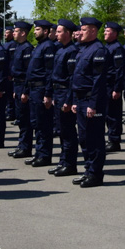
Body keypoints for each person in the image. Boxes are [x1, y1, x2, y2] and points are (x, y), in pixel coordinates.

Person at [70, 17, 109, 188]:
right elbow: (77, 77)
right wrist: (74, 100)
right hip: (80, 99)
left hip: (92, 101)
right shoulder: (83, 49)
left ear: (93, 31)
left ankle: (95, 174)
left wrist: (93, 104)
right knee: (84, 138)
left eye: (84, 29)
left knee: (94, 138)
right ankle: (88, 170)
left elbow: (98, 80)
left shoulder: (98, 50)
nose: (80, 32)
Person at [48, 20, 80, 176]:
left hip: (65, 94)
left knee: (68, 132)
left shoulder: (72, 51)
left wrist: (68, 100)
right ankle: (63, 161)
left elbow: (71, 79)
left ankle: (70, 164)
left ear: (67, 33)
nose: (56, 34)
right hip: (58, 94)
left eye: (59, 31)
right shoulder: (61, 50)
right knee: (61, 130)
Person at [24, 19, 56, 167]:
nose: (35, 32)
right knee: (36, 123)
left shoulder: (48, 47)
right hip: (33, 89)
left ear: (45, 31)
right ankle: (39, 153)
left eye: (37, 29)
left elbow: (50, 73)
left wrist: (48, 94)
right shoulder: (38, 47)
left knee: (44, 125)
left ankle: (44, 155)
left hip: (41, 89)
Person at [9, 21, 34, 159]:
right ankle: (21, 145)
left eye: (16, 31)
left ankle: (25, 147)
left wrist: (25, 91)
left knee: (25, 120)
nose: (14, 33)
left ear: (23, 33)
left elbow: (27, 73)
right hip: (17, 85)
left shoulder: (27, 49)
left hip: (23, 86)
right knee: (21, 118)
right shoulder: (18, 47)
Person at [103, 22, 125, 153]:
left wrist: (117, 89)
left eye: (108, 31)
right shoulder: (108, 47)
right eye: (105, 31)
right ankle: (111, 138)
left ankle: (114, 140)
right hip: (106, 85)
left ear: (115, 33)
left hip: (112, 86)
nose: (105, 33)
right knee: (107, 114)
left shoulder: (117, 48)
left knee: (113, 115)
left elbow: (119, 70)